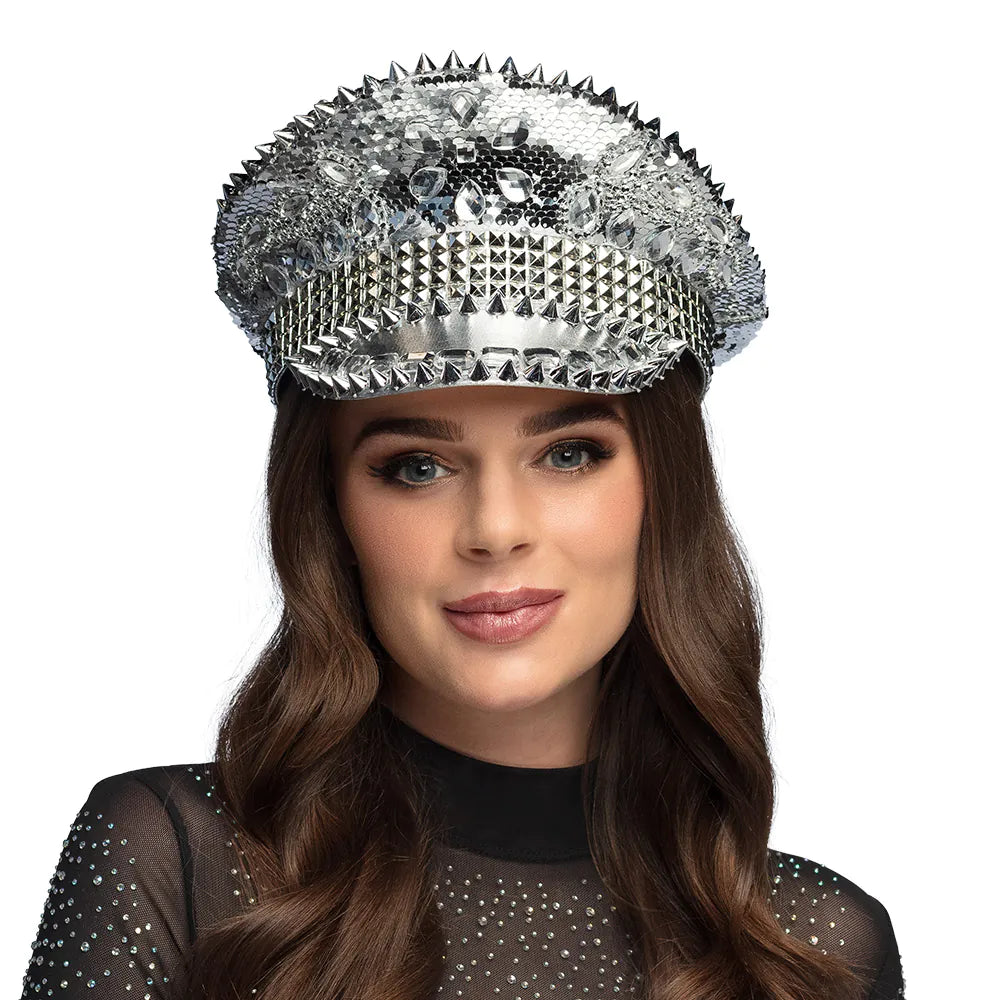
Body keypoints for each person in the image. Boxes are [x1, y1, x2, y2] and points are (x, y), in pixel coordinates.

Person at [20, 50, 905, 1000]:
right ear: (328, 507)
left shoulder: (816, 946)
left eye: (569, 453)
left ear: (665, 487)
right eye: (417, 466)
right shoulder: (177, 857)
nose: (496, 528)